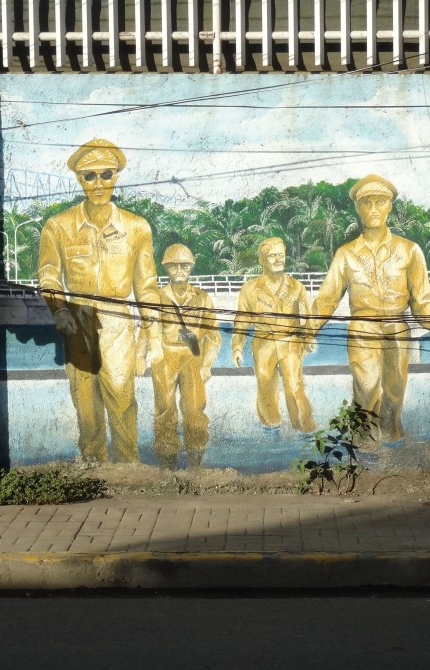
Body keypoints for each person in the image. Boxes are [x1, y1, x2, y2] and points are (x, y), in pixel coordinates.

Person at [37, 138, 163, 464]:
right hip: (76, 320)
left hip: (118, 320)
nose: (98, 183)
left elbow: (147, 287)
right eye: (89, 176)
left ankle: (127, 465)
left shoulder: (136, 227)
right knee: (85, 402)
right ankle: (93, 465)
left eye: (106, 174)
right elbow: (49, 276)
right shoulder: (58, 226)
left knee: (121, 396)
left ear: (116, 176)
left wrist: (152, 337)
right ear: (79, 179)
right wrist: (59, 310)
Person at [308, 174, 430, 444]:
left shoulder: (410, 251)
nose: (373, 209)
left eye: (380, 202)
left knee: (395, 391)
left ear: (389, 206)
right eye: (366, 203)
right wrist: (310, 330)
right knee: (366, 387)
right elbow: (327, 298)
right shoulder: (346, 253)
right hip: (363, 328)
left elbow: (422, 300)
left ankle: (392, 440)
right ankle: (364, 447)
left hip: (398, 329)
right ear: (357, 207)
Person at [137, 245, 221, 469]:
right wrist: (140, 356)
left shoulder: (202, 298)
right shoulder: (157, 297)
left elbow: (213, 337)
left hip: (193, 357)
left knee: (195, 410)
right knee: (164, 410)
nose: (179, 270)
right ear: (166, 268)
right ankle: (167, 464)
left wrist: (207, 364)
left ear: (191, 267)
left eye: (184, 266)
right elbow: (147, 327)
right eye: (173, 266)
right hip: (165, 356)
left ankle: (195, 463)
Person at [231, 237, 316, 434]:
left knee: (294, 386)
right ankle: (271, 428)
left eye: (281, 255)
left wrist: (309, 338)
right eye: (272, 256)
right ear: (262, 260)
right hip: (263, 344)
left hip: (291, 342)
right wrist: (237, 347)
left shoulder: (297, 287)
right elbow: (242, 321)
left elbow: (306, 317)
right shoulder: (249, 289)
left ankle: (304, 428)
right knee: (265, 386)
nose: (278, 259)